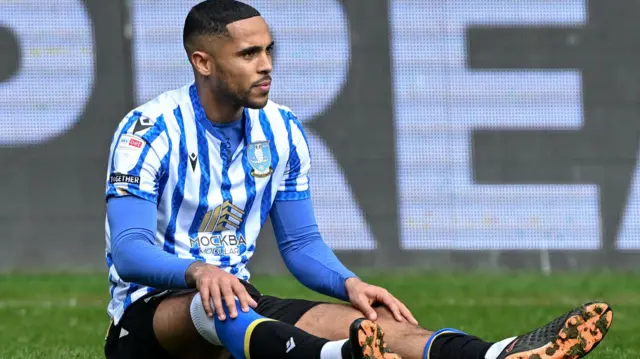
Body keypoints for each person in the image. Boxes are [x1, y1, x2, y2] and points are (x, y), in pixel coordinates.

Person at [103, 1, 614, 359]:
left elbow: (301, 243)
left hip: (241, 306)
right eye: (249, 54)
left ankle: (495, 355)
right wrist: (198, 272)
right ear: (203, 62)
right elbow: (129, 249)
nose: (266, 66)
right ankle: (340, 358)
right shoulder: (149, 130)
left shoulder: (281, 129)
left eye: (268, 50)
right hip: (150, 323)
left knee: (371, 325)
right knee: (219, 306)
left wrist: (351, 283)